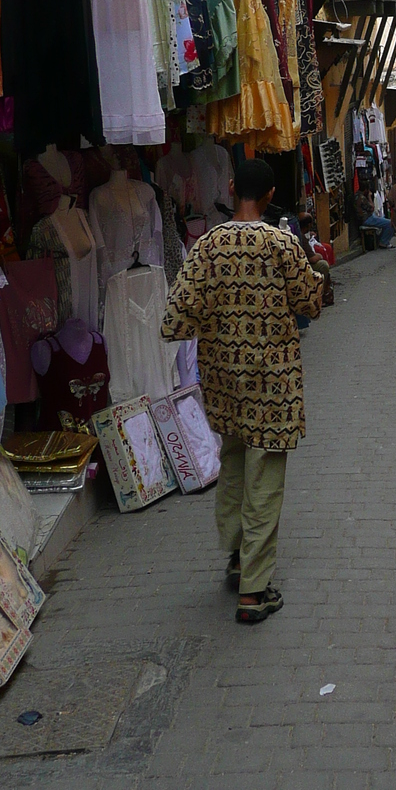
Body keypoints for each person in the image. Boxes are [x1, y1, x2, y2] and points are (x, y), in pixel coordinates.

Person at [160, 158, 325, 626]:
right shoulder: (281, 242)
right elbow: (310, 302)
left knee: (233, 464)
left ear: (231, 188)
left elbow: (175, 318)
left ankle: (236, 557)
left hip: (224, 380)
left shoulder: (209, 245)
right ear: (271, 195)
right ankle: (254, 590)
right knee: (264, 479)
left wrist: (221, 321)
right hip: (272, 385)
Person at [354, 183, 393, 248]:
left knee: (383, 218)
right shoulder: (362, 198)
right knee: (390, 223)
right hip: (367, 219)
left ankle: (382, 240)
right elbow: (372, 207)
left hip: (365, 218)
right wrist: (369, 197)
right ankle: (383, 241)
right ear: (366, 190)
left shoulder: (356, 196)